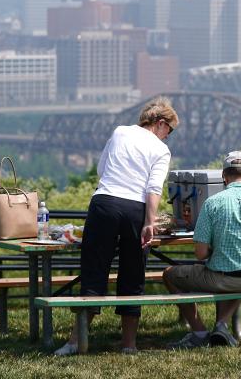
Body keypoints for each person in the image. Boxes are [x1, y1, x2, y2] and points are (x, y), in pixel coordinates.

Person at [54, 96, 178, 356]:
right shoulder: (161, 149)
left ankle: (76, 342)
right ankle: (129, 345)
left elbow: (101, 169)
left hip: (105, 203)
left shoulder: (120, 132)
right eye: (170, 130)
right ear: (160, 122)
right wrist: (149, 223)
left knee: (93, 272)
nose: (168, 136)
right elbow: (153, 189)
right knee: (133, 275)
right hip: (135, 210)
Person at [162, 150, 241, 349]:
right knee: (236, 266)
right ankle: (221, 326)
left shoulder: (212, 203)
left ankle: (199, 331)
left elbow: (200, 254)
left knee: (169, 274)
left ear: (223, 176)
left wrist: (216, 249)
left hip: (222, 279)